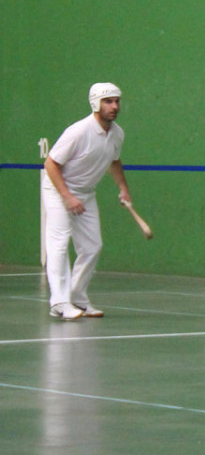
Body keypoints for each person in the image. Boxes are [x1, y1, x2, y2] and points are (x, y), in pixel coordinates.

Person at [41, 82, 133, 320]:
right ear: (95, 104)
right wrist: (67, 196)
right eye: (108, 102)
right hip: (57, 189)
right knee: (59, 243)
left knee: (93, 246)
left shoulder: (117, 134)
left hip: (86, 192)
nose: (114, 106)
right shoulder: (78, 131)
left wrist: (123, 188)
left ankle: (78, 298)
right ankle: (59, 303)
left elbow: (114, 160)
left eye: (116, 101)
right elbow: (51, 163)